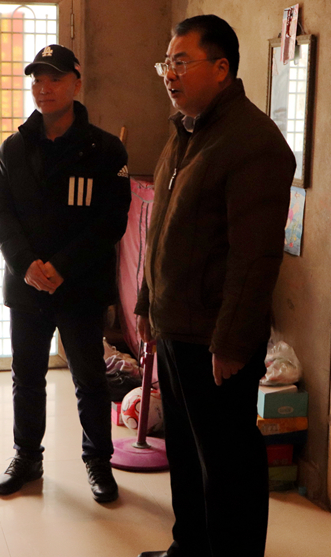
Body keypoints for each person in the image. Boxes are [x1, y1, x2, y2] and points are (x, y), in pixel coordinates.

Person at [134, 15, 296, 557]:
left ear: (222, 68)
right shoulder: (186, 132)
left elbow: (255, 258)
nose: (169, 74)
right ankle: (189, 547)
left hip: (213, 338)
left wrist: (230, 341)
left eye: (181, 62)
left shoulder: (253, 142)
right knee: (185, 451)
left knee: (228, 464)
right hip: (175, 326)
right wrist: (146, 304)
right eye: (166, 63)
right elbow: (160, 231)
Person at [0, 45, 131, 503]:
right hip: (27, 287)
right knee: (27, 377)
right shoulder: (14, 147)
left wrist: (61, 266)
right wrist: (25, 264)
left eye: (54, 78)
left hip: (80, 286)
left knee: (89, 378)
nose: (44, 88)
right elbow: (1, 212)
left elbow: (111, 221)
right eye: (37, 79)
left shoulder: (105, 149)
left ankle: (98, 461)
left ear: (76, 82)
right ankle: (26, 457)